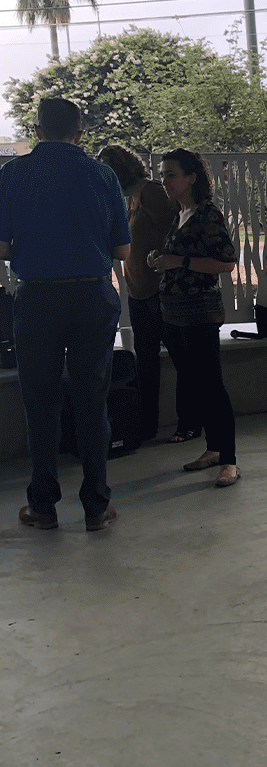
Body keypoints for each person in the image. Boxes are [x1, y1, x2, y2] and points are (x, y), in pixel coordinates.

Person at [0, 97, 130, 531]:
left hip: (36, 299)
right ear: (79, 133)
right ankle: (96, 507)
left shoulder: (13, 174)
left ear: (37, 130)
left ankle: (43, 506)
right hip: (92, 298)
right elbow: (122, 250)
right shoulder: (103, 174)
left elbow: (1, 248)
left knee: (41, 404)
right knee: (92, 401)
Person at [148, 149, 241, 487]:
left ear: (191, 178)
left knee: (211, 386)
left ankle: (229, 460)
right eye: (162, 173)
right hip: (173, 313)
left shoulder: (207, 215)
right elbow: (179, 256)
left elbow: (226, 262)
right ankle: (213, 448)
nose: (164, 180)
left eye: (170, 174)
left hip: (200, 312)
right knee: (195, 384)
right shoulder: (181, 214)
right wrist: (162, 260)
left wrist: (179, 263)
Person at [98, 145, 181, 443]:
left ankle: (190, 423)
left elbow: (176, 231)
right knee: (145, 363)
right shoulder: (133, 200)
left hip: (160, 292)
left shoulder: (153, 193)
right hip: (139, 293)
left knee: (180, 359)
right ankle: (147, 426)